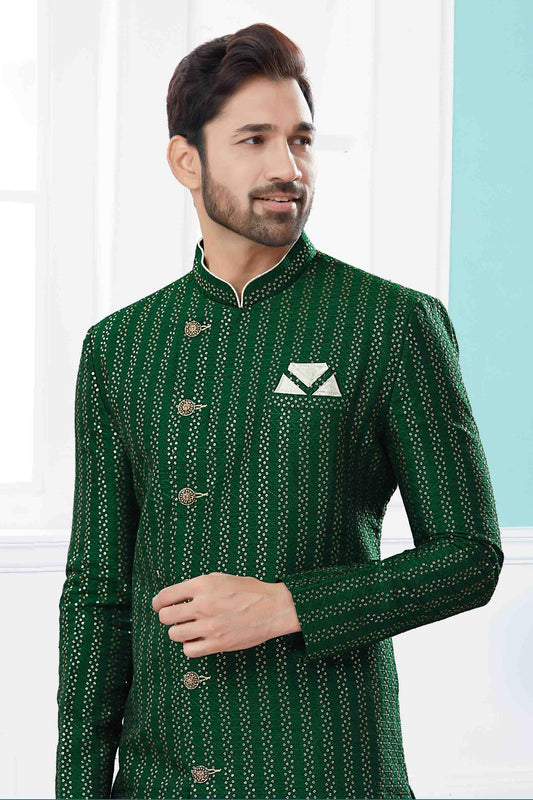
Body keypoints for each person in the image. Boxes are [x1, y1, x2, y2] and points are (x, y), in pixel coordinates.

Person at [55, 21, 504, 800]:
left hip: (324, 771)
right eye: (253, 140)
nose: (286, 168)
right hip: (159, 781)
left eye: (300, 140)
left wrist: (290, 605)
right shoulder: (119, 346)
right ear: (185, 160)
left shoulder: (389, 322)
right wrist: (78, 787)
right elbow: (97, 593)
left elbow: (469, 556)